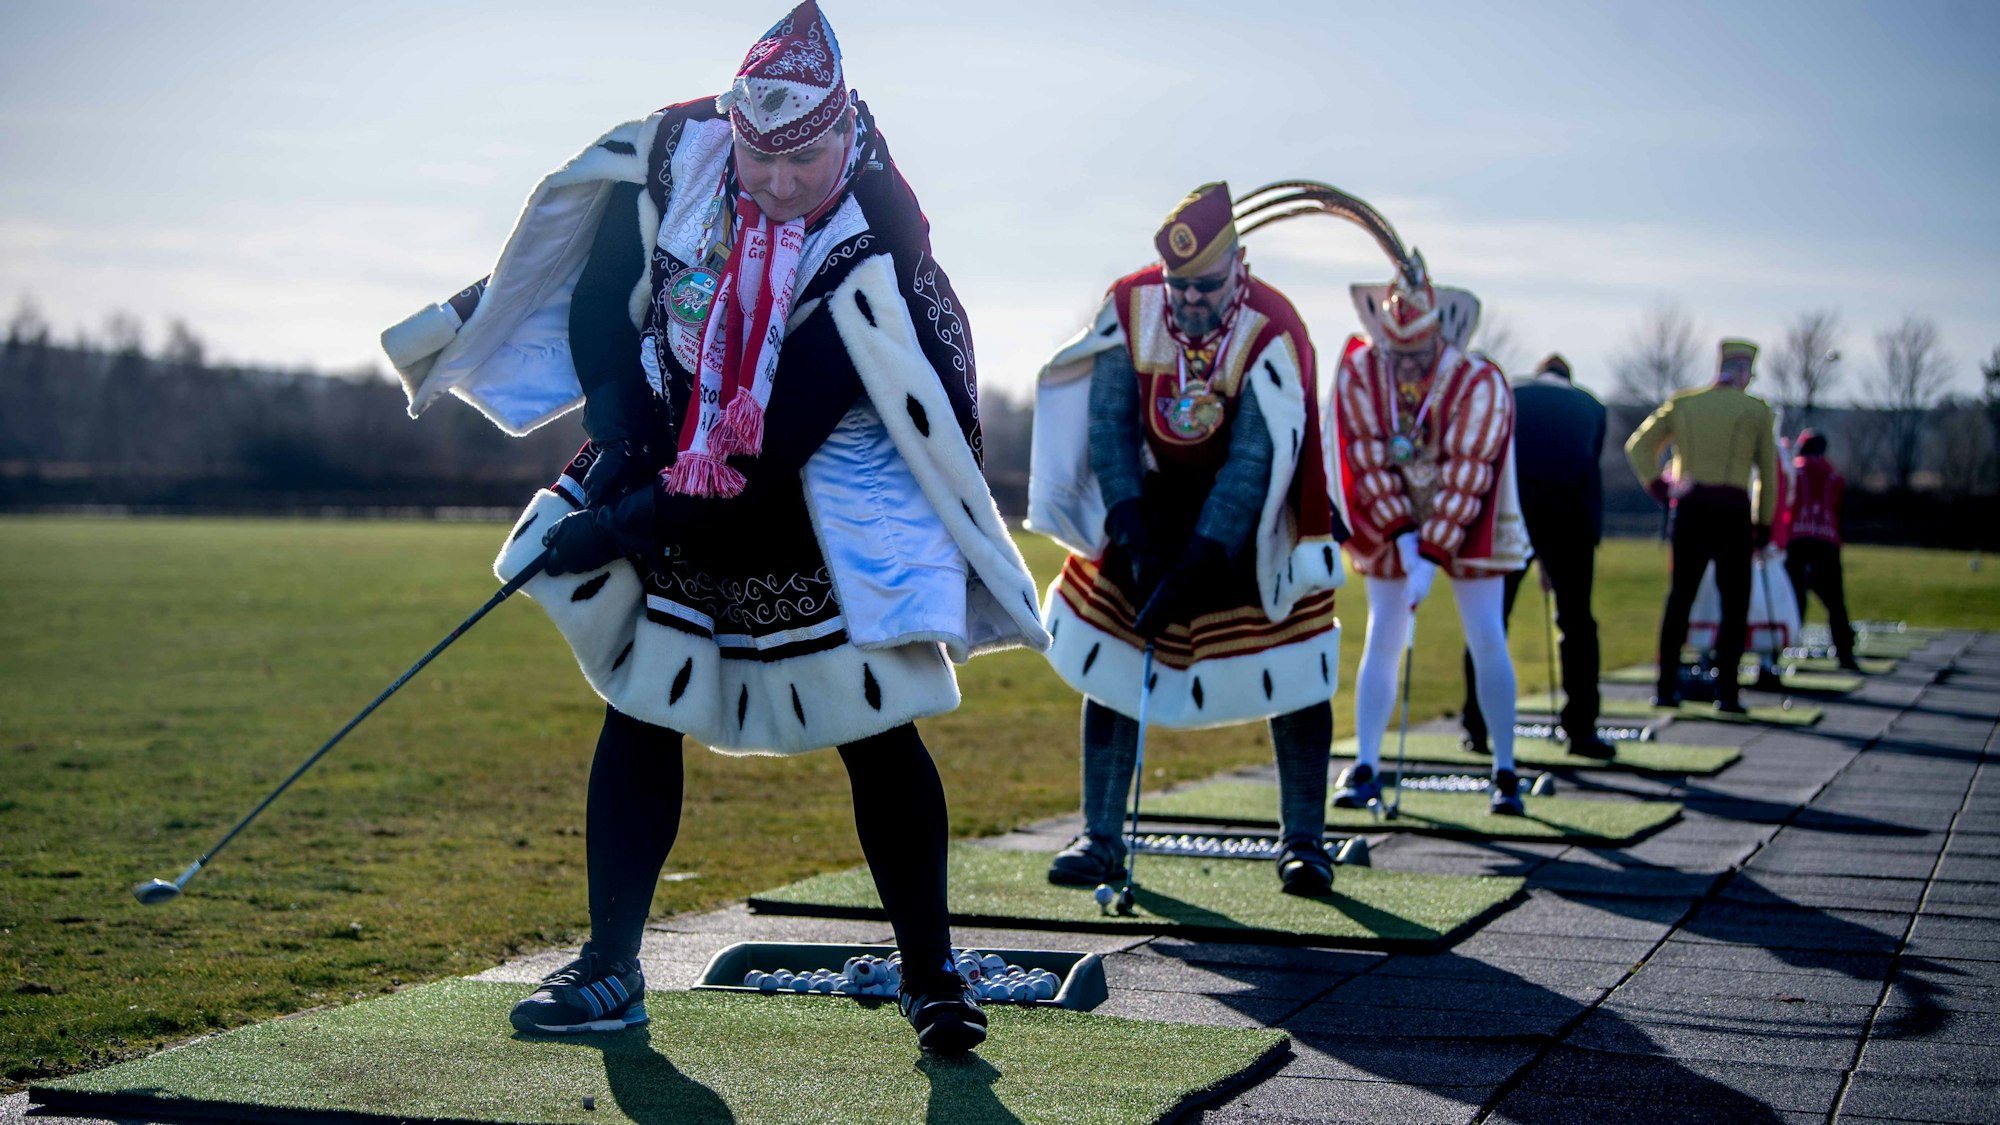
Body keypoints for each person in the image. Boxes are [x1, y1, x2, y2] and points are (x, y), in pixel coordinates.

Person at [377, 2, 1048, 1056]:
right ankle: (609, 966)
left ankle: (932, 974)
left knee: (873, 726)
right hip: (668, 422)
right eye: (756, 159)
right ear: (729, 129)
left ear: (845, 135)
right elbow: (602, 296)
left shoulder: (871, 246)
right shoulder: (670, 158)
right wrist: (614, 415)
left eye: (803, 161)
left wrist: (623, 526)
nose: (776, 184)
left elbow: (772, 451)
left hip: (811, 481)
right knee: (641, 701)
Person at [1027, 183, 1344, 895]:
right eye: (1180, 286)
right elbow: (1109, 422)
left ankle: (1304, 840)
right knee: (1109, 659)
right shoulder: (1131, 304)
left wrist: (1201, 560)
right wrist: (1134, 532)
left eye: (1206, 285)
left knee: (1295, 667)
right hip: (1150, 499)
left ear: (1240, 264)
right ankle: (1100, 836)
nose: (1192, 300)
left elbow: (1257, 459)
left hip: (1255, 512)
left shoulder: (1272, 325)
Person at [1330, 259, 1531, 814]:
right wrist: (1401, 539)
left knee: (1487, 634)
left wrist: (1432, 555)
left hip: (1467, 524)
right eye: (1397, 353)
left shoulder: (1478, 381)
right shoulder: (1361, 372)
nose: (1406, 366)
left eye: (1417, 353)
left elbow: (1471, 470)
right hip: (1393, 523)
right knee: (1383, 636)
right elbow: (1367, 456)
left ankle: (1505, 770)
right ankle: (1366, 763)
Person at [1460, 354, 1614, 760]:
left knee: (1492, 616)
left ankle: (1476, 726)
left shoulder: (1509, 393)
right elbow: (1589, 471)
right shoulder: (1591, 404)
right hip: (1570, 513)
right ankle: (1581, 729)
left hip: (1513, 504)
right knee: (1577, 620)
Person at [1624, 338, 1778, 714]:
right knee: (1734, 604)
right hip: (1733, 514)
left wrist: (1664, 490)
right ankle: (1728, 692)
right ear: (1742, 372)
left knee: (1680, 599)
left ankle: (1665, 688)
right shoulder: (1756, 411)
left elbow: (1638, 447)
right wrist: (1764, 525)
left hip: (1690, 511)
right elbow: (1768, 475)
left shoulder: (1684, 403)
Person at [1784, 429, 1860, 670]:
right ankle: (1845, 653)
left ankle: (1780, 650)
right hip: (1827, 543)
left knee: (1793, 599)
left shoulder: (1794, 469)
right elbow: (1839, 512)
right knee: (1835, 602)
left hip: (1796, 541)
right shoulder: (1833, 474)